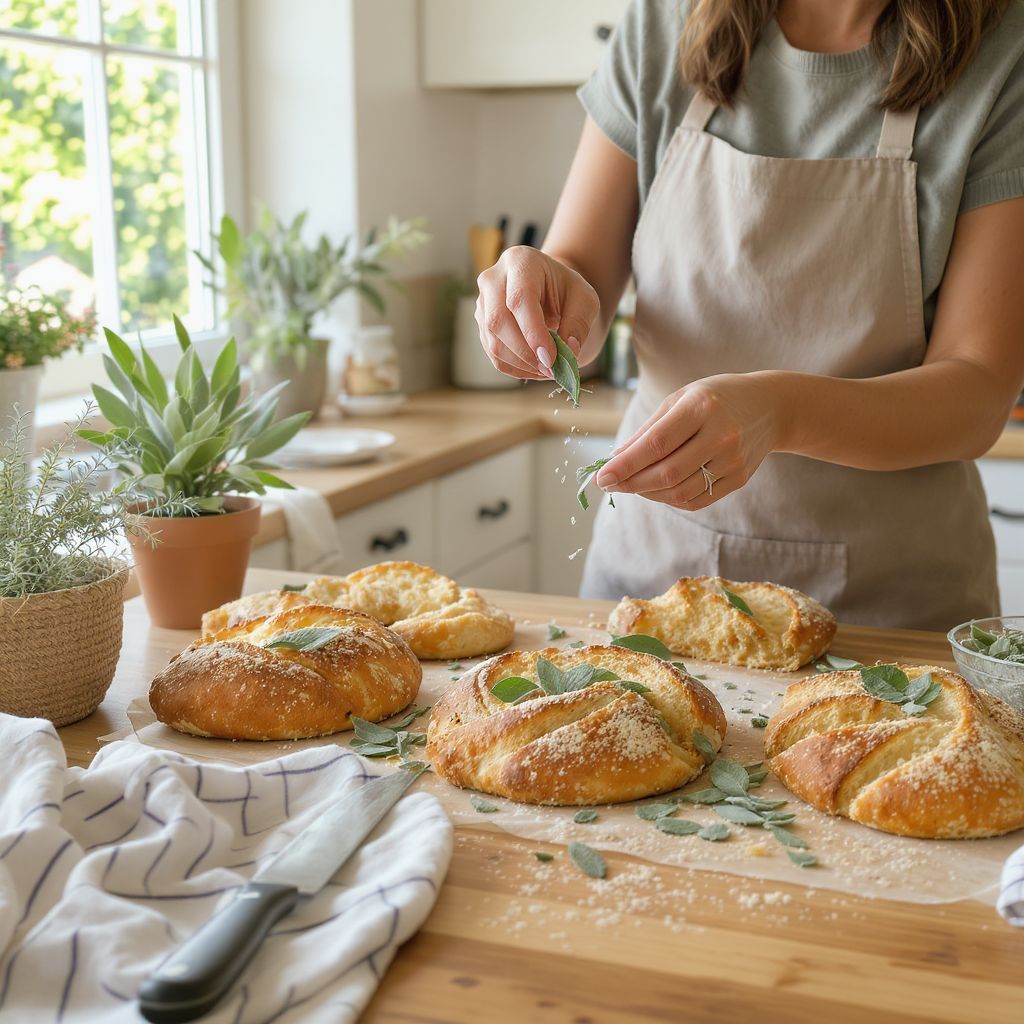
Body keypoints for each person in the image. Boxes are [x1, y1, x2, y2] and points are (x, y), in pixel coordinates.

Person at [474, 0, 1024, 630]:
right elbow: (582, 275)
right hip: (654, 591)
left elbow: (978, 389)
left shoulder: (1003, 50)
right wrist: (545, 291)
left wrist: (780, 412)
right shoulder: (666, 20)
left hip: (889, 614)